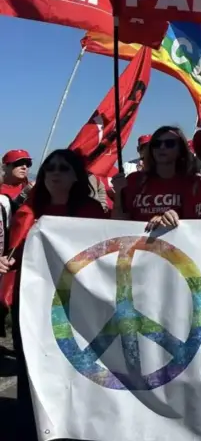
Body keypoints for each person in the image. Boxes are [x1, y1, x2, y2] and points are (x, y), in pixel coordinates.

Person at [0, 149, 107, 434]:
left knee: (74, 363)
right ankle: (31, 423)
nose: (55, 173)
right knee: (32, 364)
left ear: (76, 176)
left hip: (76, 305)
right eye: (50, 169)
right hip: (31, 301)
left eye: (63, 168)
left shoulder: (92, 212)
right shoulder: (26, 212)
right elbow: (13, 253)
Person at [114, 126, 196, 222]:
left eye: (169, 143)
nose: (162, 147)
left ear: (181, 149)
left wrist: (166, 221)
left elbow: (195, 226)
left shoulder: (192, 184)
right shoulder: (134, 180)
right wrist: (118, 193)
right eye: (156, 144)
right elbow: (119, 223)